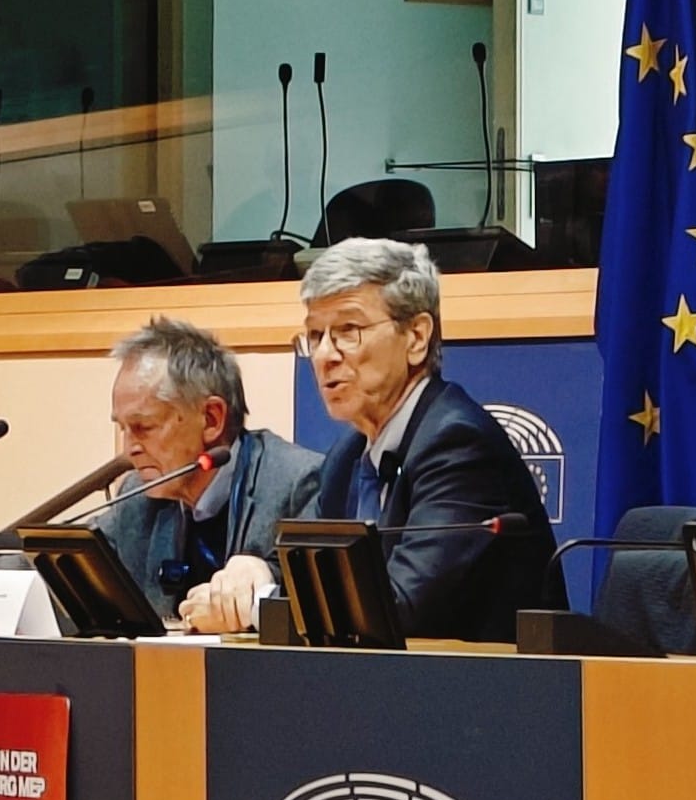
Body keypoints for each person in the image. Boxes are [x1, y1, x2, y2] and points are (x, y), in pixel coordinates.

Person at [207, 236, 556, 641]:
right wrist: (255, 570)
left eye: (349, 330)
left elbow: (401, 609)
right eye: (316, 336)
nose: (325, 355)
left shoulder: (458, 445)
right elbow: (307, 574)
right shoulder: (348, 457)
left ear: (416, 338)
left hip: (495, 691)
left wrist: (258, 604)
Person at [94, 317, 321, 630]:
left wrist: (254, 594)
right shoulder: (137, 497)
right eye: (122, 428)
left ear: (212, 419)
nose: (129, 448)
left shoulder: (297, 483)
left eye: (143, 427)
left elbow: (318, 607)